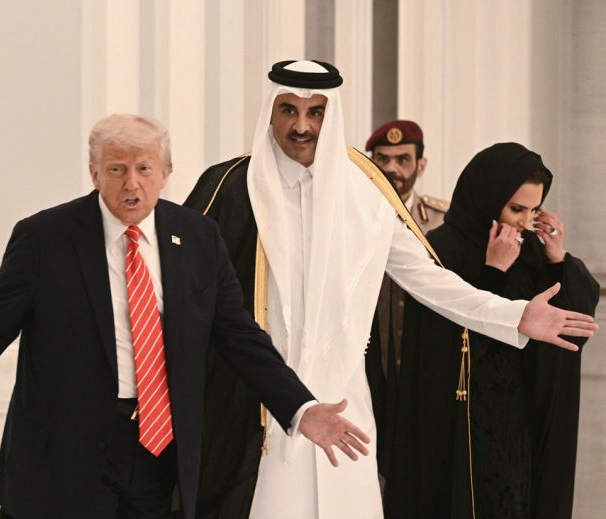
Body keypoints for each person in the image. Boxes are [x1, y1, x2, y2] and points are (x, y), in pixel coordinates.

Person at [0, 114, 372, 519]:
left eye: (144, 169)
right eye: (116, 169)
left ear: (166, 173)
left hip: (161, 451)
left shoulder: (198, 238)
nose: (131, 184)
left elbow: (239, 337)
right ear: (94, 173)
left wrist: (300, 408)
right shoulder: (45, 239)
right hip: (65, 454)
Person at [184, 60, 597, 519]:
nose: (302, 126)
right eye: (288, 110)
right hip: (259, 408)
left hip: (346, 406)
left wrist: (513, 315)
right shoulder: (230, 187)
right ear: (270, 111)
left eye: (316, 112)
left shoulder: (364, 189)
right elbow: (186, 293)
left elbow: (427, 279)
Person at [381, 142, 600, 519]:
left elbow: (571, 330)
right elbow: (443, 347)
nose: (524, 222)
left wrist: (557, 259)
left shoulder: (531, 251)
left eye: (533, 211)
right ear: (488, 197)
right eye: (516, 209)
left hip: (516, 426)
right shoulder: (441, 251)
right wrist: (493, 273)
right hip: (456, 429)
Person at [363, 119, 449, 491]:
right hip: (371, 362)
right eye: (382, 159)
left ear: (421, 165)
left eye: (403, 160)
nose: (392, 169)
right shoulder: (355, 216)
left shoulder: (442, 221)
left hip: (422, 364)